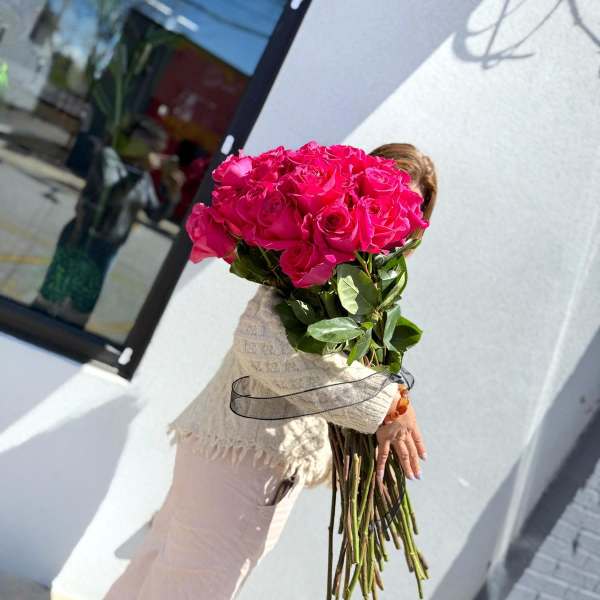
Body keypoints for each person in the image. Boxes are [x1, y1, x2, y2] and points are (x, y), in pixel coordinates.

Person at [103, 142, 438, 600]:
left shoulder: (356, 283)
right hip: (248, 461)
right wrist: (387, 404)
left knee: (155, 576)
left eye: (410, 212)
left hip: (240, 454)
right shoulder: (314, 265)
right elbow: (265, 347)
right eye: (387, 200)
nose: (396, 221)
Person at [32, 116, 184, 326]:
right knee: (51, 294)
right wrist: (140, 172)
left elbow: (155, 215)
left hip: (106, 250)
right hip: (80, 237)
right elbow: (109, 194)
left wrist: (172, 194)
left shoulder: (143, 177)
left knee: (80, 307)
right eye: (151, 148)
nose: (155, 155)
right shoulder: (108, 159)